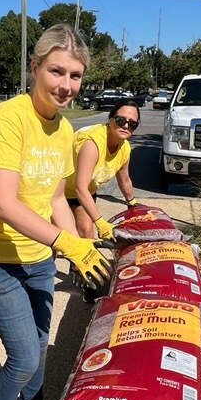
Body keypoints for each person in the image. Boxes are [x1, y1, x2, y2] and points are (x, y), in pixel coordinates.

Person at [0, 24, 111, 400]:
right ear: (35, 67)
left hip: (38, 258)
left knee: (41, 349)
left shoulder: (65, 130)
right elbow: (3, 203)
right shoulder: (8, 118)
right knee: (25, 355)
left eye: (76, 76)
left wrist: (81, 249)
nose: (66, 85)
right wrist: (66, 242)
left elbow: (51, 200)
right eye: (57, 71)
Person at [65, 99, 140, 300]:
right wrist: (101, 222)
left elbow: (123, 178)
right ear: (110, 119)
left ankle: (83, 275)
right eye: (121, 120)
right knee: (68, 237)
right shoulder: (92, 142)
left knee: (85, 235)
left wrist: (132, 204)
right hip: (59, 188)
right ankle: (44, 279)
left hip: (84, 191)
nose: (126, 126)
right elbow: (79, 188)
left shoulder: (124, 149)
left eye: (132, 123)